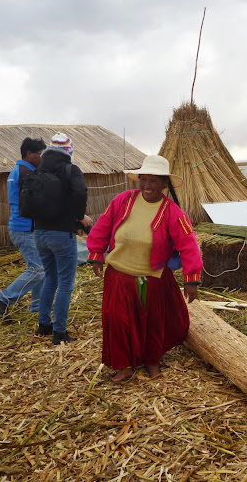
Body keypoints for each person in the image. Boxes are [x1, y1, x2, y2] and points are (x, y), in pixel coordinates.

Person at [86, 155, 203, 383]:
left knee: (151, 322)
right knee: (117, 320)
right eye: (143, 180)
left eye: (153, 182)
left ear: (164, 185)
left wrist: (191, 279)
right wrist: (96, 254)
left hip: (152, 278)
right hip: (118, 274)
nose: (147, 186)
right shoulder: (123, 200)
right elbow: (102, 226)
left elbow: (189, 246)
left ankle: (152, 363)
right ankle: (123, 366)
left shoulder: (173, 213)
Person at [33, 133, 93, 345]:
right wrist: (80, 217)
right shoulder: (70, 169)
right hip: (61, 234)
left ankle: (43, 325)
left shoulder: (40, 169)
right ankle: (59, 332)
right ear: (69, 151)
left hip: (39, 232)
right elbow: (80, 192)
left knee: (50, 278)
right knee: (66, 283)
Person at [0, 137, 47, 323]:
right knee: (38, 270)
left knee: (38, 268)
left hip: (24, 228)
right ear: (29, 154)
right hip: (25, 229)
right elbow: (34, 203)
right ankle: (2, 298)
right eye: (40, 155)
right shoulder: (25, 173)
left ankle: (37, 306)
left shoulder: (18, 171)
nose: (42, 158)